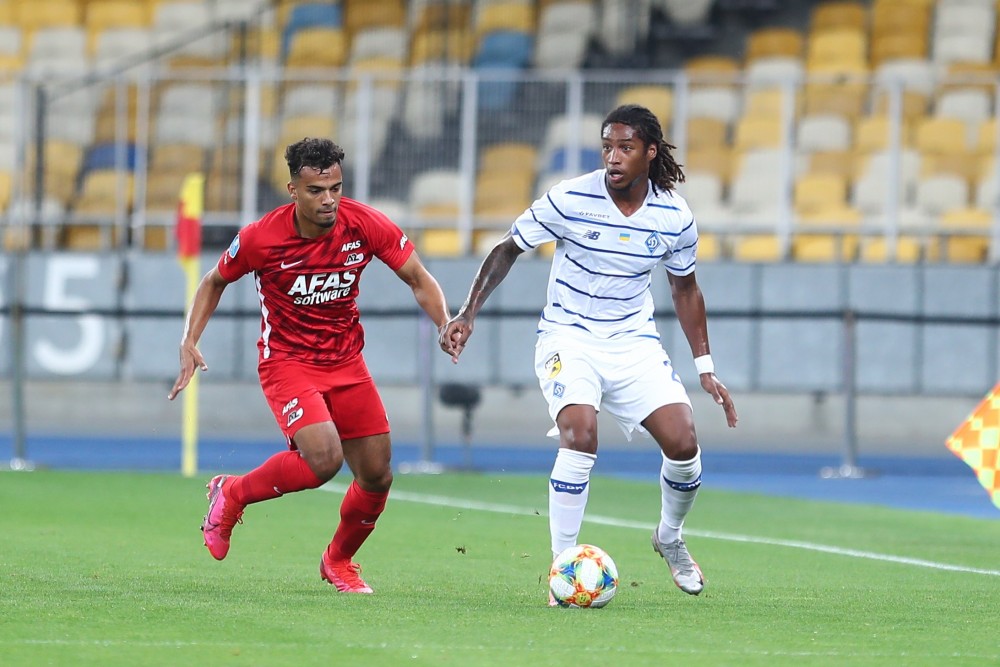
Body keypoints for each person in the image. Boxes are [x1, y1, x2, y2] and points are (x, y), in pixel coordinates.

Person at [438, 104, 738, 602]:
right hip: (568, 337)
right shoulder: (571, 197)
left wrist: (705, 368)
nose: (612, 157)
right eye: (606, 147)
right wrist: (467, 312)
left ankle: (669, 537)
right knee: (580, 434)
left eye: (625, 147)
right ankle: (563, 571)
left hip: (633, 342)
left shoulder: (674, 216)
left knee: (684, 444)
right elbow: (508, 247)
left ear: (650, 152)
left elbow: (685, 289)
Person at [169, 137, 454, 594]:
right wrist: (189, 339)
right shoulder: (262, 237)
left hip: (346, 362)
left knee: (377, 475)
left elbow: (418, 277)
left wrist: (445, 322)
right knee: (323, 459)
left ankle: (338, 562)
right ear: (293, 190)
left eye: (336, 189)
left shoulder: (365, 224)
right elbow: (213, 281)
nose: (329, 200)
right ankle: (232, 493)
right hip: (287, 362)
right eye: (316, 191)